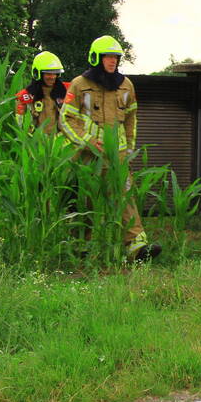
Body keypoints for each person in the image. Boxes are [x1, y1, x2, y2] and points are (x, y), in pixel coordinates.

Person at [60, 35, 161, 262]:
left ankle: (137, 247)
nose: (112, 61)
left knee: (125, 197)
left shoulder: (126, 85)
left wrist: (129, 151)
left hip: (118, 157)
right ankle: (80, 246)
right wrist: (86, 140)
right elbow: (66, 119)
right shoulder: (79, 84)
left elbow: (131, 120)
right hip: (87, 156)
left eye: (115, 57)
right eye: (107, 56)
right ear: (96, 58)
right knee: (86, 200)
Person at [15, 51, 69, 134]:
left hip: (62, 139)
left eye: (55, 73)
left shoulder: (67, 90)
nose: (53, 77)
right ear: (37, 73)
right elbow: (19, 124)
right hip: (36, 140)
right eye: (48, 73)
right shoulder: (24, 96)